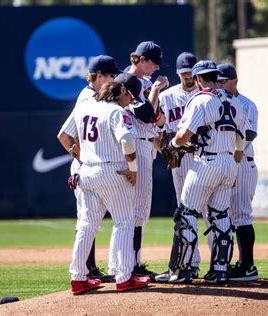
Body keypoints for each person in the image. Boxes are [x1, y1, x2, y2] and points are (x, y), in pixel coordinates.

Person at [157, 60, 250, 284]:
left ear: (198, 78)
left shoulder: (200, 100)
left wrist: (172, 146)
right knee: (220, 215)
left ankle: (183, 270)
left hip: (206, 163)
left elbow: (182, 137)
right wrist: (233, 166)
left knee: (187, 214)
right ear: (216, 77)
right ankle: (220, 270)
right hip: (229, 162)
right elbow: (242, 140)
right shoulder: (235, 102)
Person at [57, 73, 151, 294]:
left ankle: (78, 278)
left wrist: (81, 158)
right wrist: (133, 169)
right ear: (124, 91)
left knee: (86, 225)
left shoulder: (85, 106)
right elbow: (127, 140)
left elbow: (64, 135)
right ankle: (124, 276)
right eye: (132, 97)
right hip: (113, 171)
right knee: (124, 222)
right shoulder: (117, 112)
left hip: (87, 172)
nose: (132, 102)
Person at [108, 41, 169, 279]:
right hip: (135, 145)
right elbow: (145, 116)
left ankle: (131, 262)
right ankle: (128, 264)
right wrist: (155, 91)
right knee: (135, 211)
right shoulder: (126, 82)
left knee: (139, 211)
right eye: (153, 62)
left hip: (147, 145)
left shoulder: (141, 82)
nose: (156, 67)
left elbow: (157, 118)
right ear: (141, 60)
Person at [67, 55, 121, 283]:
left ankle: (88, 269)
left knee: (89, 221)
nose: (113, 79)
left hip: (89, 166)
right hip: (88, 166)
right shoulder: (88, 98)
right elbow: (65, 135)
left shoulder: (93, 96)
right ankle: (86, 269)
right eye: (110, 75)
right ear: (98, 76)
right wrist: (79, 158)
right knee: (88, 221)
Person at [155, 52, 201, 281]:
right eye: (183, 72)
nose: (188, 76)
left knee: (213, 212)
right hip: (180, 160)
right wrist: (164, 151)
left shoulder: (205, 95)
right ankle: (189, 262)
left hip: (204, 157)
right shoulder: (167, 96)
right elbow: (157, 131)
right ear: (177, 73)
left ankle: (220, 265)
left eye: (191, 72)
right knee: (184, 210)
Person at [217, 63, 259, 281]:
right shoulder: (218, 102)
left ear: (234, 82)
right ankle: (233, 264)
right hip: (228, 162)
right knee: (229, 216)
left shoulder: (246, 104)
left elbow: (249, 134)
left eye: (223, 81)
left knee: (242, 214)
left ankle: (247, 266)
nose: (219, 85)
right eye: (218, 81)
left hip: (243, 163)